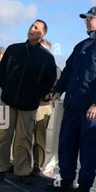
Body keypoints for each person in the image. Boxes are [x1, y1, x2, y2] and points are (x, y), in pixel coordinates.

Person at [50, 6, 96, 192]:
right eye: (86, 18)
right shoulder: (82, 45)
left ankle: (83, 187)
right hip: (73, 104)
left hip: (93, 108)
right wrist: (58, 89)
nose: (87, 21)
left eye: (91, 18)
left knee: (88, 148)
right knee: (67, 143)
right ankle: (66, 181)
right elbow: (69, 69)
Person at [0, 20, 57, 184]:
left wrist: (36, 94)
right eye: (31, 26)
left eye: (36, 27)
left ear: (42, 34)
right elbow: (1, 73)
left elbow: (49, 81)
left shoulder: (47, 58)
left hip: (29, 105)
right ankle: (0, 169)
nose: (31, 28)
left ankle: (21, 172)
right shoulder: (14, 49)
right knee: (3, 136)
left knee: (24, 139)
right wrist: (6, 87)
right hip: (8, 101)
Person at [31, 39, 61, 175]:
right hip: (27, 104)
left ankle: (37, 165)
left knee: (39, 137)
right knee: (23, 136)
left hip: (42, 106)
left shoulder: (54, 68)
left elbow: (55, 88)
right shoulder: (31, 63)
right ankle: (22, 164)